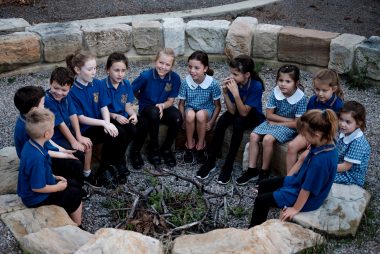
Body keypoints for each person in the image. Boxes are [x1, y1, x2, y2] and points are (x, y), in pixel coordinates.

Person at [249, 109, 338, 228]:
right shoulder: (325, 143)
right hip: (299, 181)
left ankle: (254, 230)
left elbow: (306, 190)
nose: (304, 138)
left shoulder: (320, 162)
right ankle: (264, 212)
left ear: (316, 135)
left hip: (307, 199)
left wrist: (295, 209)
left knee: (261, 200)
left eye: (305, 135)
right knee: (264, 184)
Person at [196, 55, 265, 185]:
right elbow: (232, 111)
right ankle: (211, 161)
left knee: (239, 123)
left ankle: (228, 165)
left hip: (252, 115)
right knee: (222, 121)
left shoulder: (256, 86)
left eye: (236, 74)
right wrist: (226, 93)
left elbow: (244, 113)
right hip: (237, 110)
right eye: (231, 73)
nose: (232, 76)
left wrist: (236, 93)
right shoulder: (236, 83)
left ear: (247, 74)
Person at [237, 65, 307, 185]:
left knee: (268, 139)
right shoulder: (275, 92)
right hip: (272, 123)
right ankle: (252, 170)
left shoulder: (301, 98)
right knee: (253, 136)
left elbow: (297, 124)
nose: (283, 84)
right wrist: (283, 120)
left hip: (289, 128)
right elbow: (269, 115)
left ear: (296, 82)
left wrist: (279, 121)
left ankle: (265, 171)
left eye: (288, 81)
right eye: (280, 80)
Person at [66, 52, 128, 187]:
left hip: (99, 124)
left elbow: (103, 106)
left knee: (119, 133)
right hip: (85, 129)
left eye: (95, 68)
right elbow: (80, 118)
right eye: (89, 69)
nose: (94, 72)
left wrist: (107, 123)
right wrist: (104, 123)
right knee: (110, 136)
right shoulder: (72, 92)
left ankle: (106, 167)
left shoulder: (98, 84)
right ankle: (98, 173)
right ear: (77, 70)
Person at [14, 86, 88, 195]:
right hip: (40, 158)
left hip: (45, 150)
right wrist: (64, 155)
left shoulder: (33, 118)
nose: (45, 107)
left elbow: (47, 140)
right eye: (43, 105)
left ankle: (77, 183)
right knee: (75, 163)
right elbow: (40, 151)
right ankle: (77, 190)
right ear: (34, 109)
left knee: (78, 154)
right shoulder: (26, 128)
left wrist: (62, 150)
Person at [17, 108, 83, 226]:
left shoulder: (33, 144)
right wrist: (57, 188)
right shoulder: (36, 157)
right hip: (35, 198)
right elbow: (37, 187)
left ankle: (69, 207)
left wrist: (54, 176)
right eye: (53, 127)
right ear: (47, 134)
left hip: (42, 184)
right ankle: (77, 225)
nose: (54, 129)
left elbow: (38, 172)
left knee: (73, 184)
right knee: (75, 195)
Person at [44, 67, 99, 188]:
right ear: (50, 83)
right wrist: (73, 141)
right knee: (77, 155)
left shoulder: (67, 96)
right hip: (55, 137)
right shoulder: (48, 100)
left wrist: (79, 136)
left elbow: (73, 114)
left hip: (68, 132)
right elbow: (61, 124)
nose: (59, 92)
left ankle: (87, 174)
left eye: (64, 90)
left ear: (70, 88)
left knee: (87, 145)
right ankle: (77, 184)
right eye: (55, 88)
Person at [129, 48, 182, 169]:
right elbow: (131, 90)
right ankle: (154, 149)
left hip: (163, 106)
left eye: (167, 64)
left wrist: (163, 105)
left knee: (177, 117)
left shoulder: (175, 78)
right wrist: (140, 99)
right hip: (147, 108)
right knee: (154, 112)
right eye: (161, 62)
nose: (163, 67)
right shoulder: (145, 76)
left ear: (172, 66)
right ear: (155, 61)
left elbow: (170, 101)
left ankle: (166, 149)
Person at [286, 69, 344, 172]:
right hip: (310, 131)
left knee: (307, 156)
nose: (320, 93)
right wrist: (308, 136)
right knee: (291, 146)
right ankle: (288, 179)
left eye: (324, 90)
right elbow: (307, 120)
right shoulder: (313, 100)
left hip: (326, 137)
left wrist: (314, 141)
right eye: (317, 89)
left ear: (333, 89)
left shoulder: (338, 105)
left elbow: (335, 129)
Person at [98, 52, 138, 177]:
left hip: (122, 116)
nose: (120, 74)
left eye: (123, 70)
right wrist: (115, 116)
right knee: (119, 133)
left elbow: (127, 106)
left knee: (133, 129)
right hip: (107, 118)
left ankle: (119, 159)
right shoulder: (101, 85)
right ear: (108, 69)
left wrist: (133, 114)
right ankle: (109, 163)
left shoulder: (126, 84)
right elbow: (100, 109)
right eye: (116, 70)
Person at [179, 50, 221, 164]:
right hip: (191, 108)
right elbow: (181, 104)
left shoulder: (213, 83)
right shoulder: (185, 82)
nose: (192, 71)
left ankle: (201, 145)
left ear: (205, 68)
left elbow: (217, 106)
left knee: (201, 115)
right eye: (190, 67)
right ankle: (190, 144)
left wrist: (211, 122)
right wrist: (183, 120)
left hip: (206, 110)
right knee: (190, 115)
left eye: (196, 68)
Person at [335, 101, 371, 187]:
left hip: (350, 176)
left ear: (358, 124)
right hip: (339, 164)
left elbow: (346, 166)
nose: (342, 124)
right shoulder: (345, 132)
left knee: (322, 176)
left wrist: (327, 167)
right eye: (341, 119)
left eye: (348, 122)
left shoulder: (357, 142)